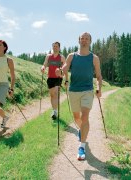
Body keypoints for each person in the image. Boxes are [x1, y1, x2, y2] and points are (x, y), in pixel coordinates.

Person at [57, 32, 102, 160]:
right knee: (77, 117)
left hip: (87, 90)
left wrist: (99, 88)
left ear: (90, 41)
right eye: (82, 38)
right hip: (73, 90)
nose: (84, 40)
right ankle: (81, 130)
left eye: (86, 39)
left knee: (85, 116)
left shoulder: (94, 58)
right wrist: (60, 72)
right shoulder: (72, 56)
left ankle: (82, 146)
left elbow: (99, 76)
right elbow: (64, 68)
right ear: (79, 41)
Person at [41, 42, 68, 120]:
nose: (55, 48)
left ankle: (55, 112)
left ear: (59, 48)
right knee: (52, 95)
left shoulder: (61, 57)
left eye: (56, 46)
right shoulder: (49, 56)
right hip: (50, 78)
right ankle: (54, 110)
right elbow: (45, 64)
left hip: (58, 78)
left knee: (56, 93)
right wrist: (43, 68)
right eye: (53, 46)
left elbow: (65, 69)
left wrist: (66, 80)